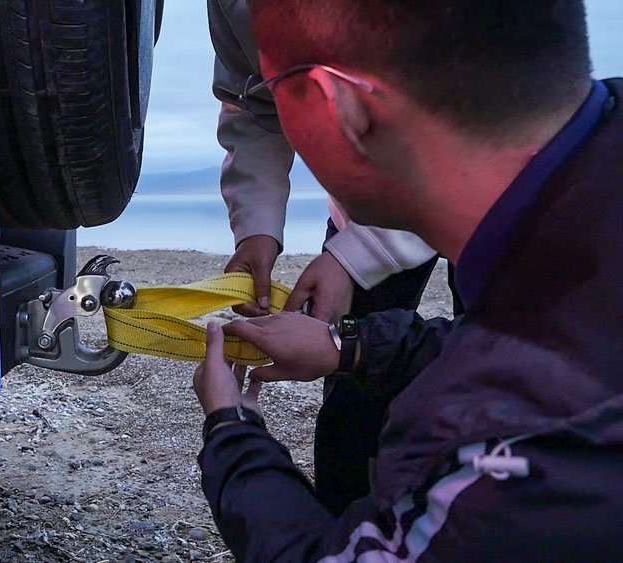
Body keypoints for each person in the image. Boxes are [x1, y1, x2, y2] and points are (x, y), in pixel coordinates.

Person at [194, 1, 623, 560]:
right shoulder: (560, 308)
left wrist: (232, 434)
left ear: (339, 108)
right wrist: (347, 348)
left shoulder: (502, 448)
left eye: (280, 90)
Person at [209, 0, 461, 515]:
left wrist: (356, 257)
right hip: (363, 207)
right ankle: (347, 522)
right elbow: (252, 105)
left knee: (502, 361)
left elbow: (468, 117)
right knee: (353, 397)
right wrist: (257, 228)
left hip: (498, 184)